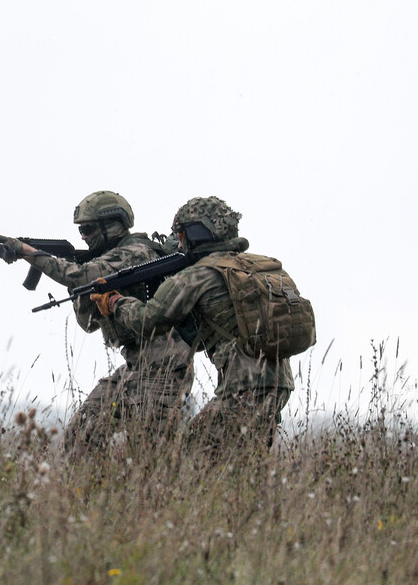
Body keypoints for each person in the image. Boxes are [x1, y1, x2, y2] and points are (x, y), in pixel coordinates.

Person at [89, 196, 296, 458]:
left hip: (242, 390)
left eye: (180, 234)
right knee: (241, 466)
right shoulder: (257, 267)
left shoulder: (199, 275)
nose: (178, 241)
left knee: (192, 461)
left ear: (194, 234)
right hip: (280, 385)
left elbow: (147, 320)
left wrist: (116, 302)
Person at [0, 191, 194, 456]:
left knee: (150, 456)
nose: (83, 237)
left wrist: (28, 253)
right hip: (136, 367)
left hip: (164, 371)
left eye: (88, 229)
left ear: (112, 225)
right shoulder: (105, 263)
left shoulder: (136, 252)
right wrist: (82, 292)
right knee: (81, 435)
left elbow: (81, 274)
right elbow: (88, 324)